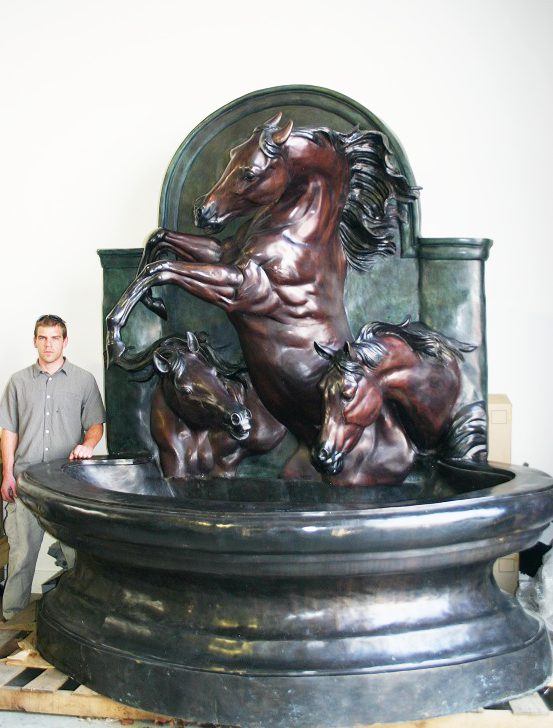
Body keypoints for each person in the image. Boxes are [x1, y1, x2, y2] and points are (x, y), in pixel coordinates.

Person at [0, 314, 105, 620]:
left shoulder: (84, 380)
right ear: (35, 341)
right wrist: (7, 473)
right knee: (20, 558)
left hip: (67, 485)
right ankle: (9, 620)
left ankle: (75, 620)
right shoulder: (18, 382)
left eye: (55, 337)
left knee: (76, 556)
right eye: (43, 338)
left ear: (65, 341)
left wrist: (88, 445)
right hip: (26, 482)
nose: (48, 344)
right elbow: (9, 431)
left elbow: (95, 425)